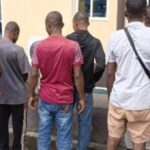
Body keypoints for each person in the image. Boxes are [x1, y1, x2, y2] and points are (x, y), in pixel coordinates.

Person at [27, 11, 85, 150]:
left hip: (46, 99)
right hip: (65, 100)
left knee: (43, 135)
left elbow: (34, 74)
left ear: (48, 26)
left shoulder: (38, 47)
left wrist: (31, 95)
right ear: (62, 25)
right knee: (64, 137)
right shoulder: (74, 46)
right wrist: (82, 98)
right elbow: (77, 75)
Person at [107, 0, 150, 150]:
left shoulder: (114, 37)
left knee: (113, 139)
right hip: (142, 102)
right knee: (139, 142)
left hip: (118, 99)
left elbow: (110, 72)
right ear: (145, 13)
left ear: (126, 14)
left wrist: (110, 96)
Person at [66, 12, 105, 150]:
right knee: (84, 123)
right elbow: (101, 65)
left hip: (68, 88)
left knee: (65, 121)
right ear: (87, 23)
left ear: (75, 23)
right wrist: (94, 79)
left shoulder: (67, 40)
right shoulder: (95, 42)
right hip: (87, 89)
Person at [0, 21, 30, 150]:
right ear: (15, 33)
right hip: (18, 98)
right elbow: (25, 74)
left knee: (2, 130)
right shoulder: (18, 50)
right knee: (18, 131)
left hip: (1, 97)